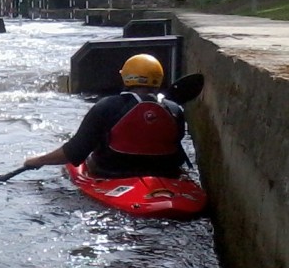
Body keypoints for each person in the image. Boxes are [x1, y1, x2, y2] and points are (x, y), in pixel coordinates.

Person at [24, 53, 187, 178]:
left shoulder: (107, 106)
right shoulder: (174, 109)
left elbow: (75, 152)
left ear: (126, 77)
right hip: (164, 172)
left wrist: (38, 160)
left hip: (112, 172)